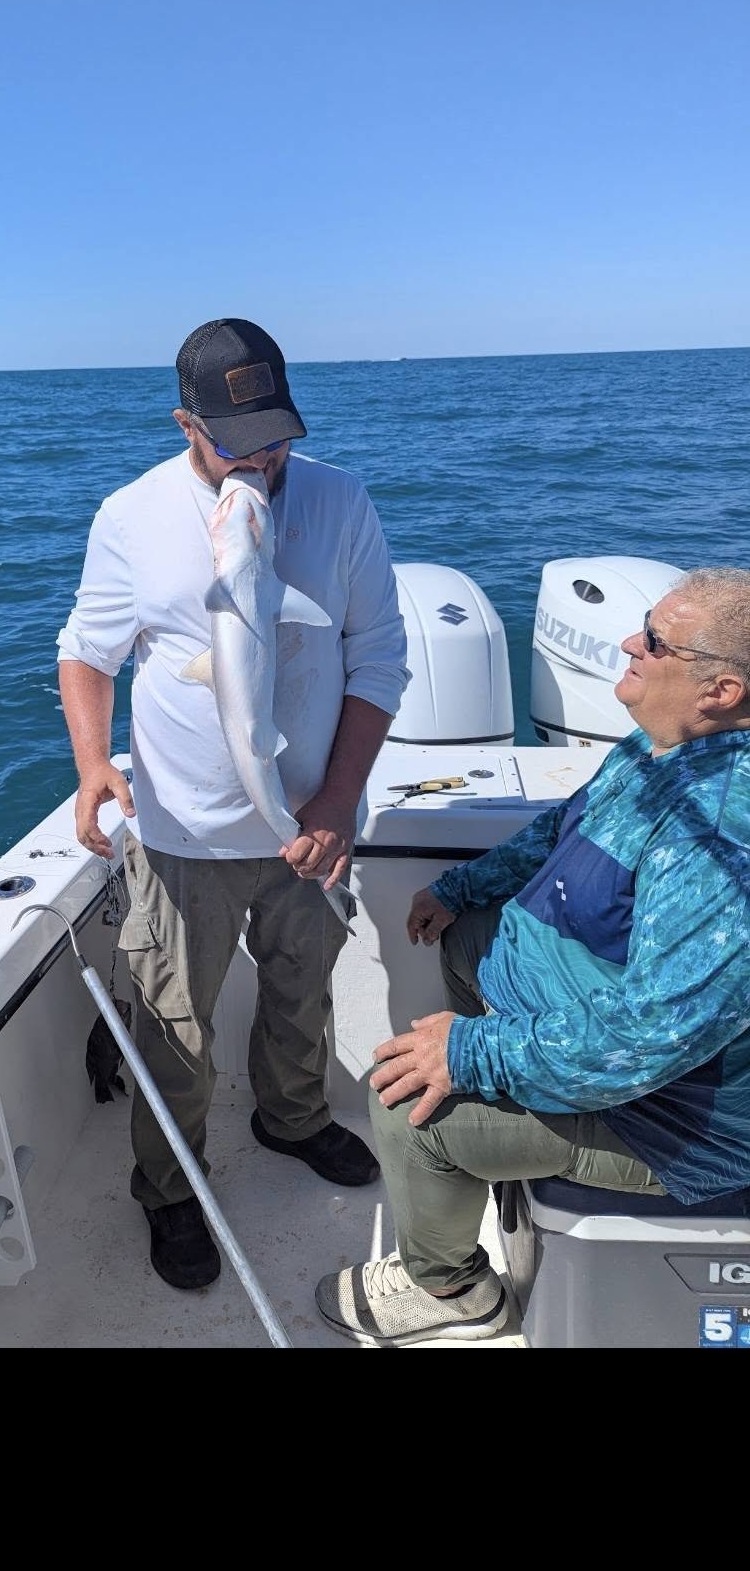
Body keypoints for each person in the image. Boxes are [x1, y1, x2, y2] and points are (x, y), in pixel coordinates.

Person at [58, 318, 410, 1288]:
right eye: (236, 439)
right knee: (176, 1025)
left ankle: (291, 1118)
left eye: (277, 434)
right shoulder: (130, 518)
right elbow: (85, 653)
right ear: (186, 424)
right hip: (181, 835)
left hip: (310, 830)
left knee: (305, 996)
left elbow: (379, 656)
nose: (263, 458)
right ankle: (171, 1188)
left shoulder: (342, 505)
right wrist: (94, 766)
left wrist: (339, 799)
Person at [314, 565, 750, 1343]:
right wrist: (464, 886)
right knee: (471, 934)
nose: (628, 643)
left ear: (720, 691)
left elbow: (649, 1038)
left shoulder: (716, 835)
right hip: (597, 1029)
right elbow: (562, 831)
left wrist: (476, 1052)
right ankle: (504, 1119)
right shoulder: (660, 749)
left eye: (655, 641)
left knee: (404, 1101)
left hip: (666, 1118)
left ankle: (452, 1293)